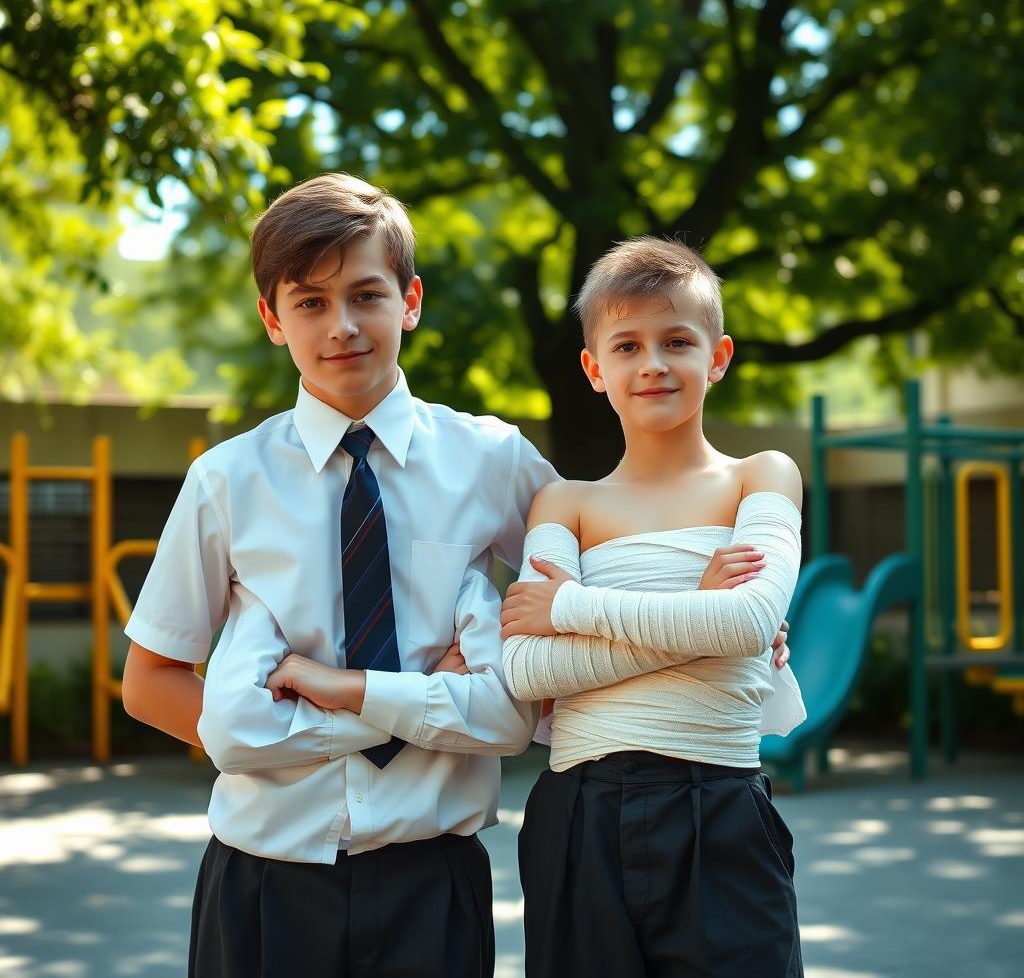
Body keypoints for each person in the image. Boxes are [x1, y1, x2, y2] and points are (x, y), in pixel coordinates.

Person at [120, 172, 792, 978]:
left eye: (367, 295)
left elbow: (581, 599)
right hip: (263, 879)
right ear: (273, 317)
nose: (342, 326)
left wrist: (716, 631)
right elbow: (150, 681)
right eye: (309, 302)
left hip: (432, 882)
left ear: (410, 301)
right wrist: (320, 728)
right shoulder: (226, 481)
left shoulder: (495, 460)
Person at [500, 236, 806, 977]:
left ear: (719, 356)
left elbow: (746, 623)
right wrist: (697, 617)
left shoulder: (760, 477)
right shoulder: (563, 501)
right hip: (580, 806)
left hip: (721, 803)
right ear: (594, 369)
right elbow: (526, 667)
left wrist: (571, 604)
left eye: (678, 341)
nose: (655, 364)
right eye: (628, 345)